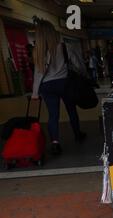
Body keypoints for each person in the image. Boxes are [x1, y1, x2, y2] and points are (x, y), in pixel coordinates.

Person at [31, 18, 86, 155]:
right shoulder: (64, 47)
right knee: (71, 110)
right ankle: (77, 134)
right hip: (64, 83)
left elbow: (38, 73)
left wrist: (35, 93)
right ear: (52, 32)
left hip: (46, 86)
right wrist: (85, 76)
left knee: (53, 115)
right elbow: (78, 65)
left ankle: (55, 142)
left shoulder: (38, 51)